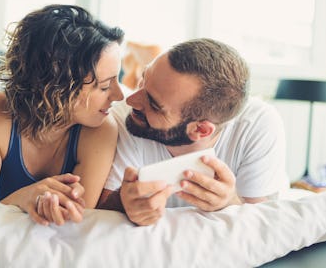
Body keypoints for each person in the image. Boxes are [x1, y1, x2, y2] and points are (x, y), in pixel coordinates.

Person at [0, 4, 125, 226]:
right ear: (58, 85)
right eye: (104, 86)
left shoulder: (101, 129)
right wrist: (24, 197)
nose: (119, 95)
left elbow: (74, 218)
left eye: (117, 79)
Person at [97, 38, 289, 226]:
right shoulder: (125, 117)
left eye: (154, 105)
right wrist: (123, 202)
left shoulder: (257, 126)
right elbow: (100, 208)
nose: (131, 100)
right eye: (142, 80)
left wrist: (229, 202)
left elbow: (261, 225)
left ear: (201, 130)